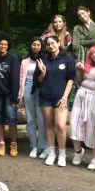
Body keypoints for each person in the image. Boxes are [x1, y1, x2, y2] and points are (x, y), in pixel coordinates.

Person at [35, 36, 75, 167]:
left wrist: (64, 98)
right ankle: (52, 153)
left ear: (58, 43)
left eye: (53, 43)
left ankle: (62, 154)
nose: (50, 46)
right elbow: (39, 81)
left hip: (60, 98)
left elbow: (71, 79)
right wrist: (42, 73)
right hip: (46, 97)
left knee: (61, 126)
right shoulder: (43, 60)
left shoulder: (67, 59)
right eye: (48, 44)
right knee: (49, 126)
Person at [70, 46, 95, 170]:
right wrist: (79, 70)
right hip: (81, 95)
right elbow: (79, 80)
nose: (94, 55)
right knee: (75, 124)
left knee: (94, 128)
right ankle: (78, 152)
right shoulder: (88, 67)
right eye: (92, 53)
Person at [18, 37, 48, 159]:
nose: (36, 47)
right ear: (31, 46)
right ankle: (34, 146)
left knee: (41, 119)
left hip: (41, 90)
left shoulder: (45, 59)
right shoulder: (25, 62)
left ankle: (42, 146)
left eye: (38, 45)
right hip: (28, 89)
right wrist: (20, 95)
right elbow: (21, 79)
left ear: (42, 46)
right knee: (30, 120)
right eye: (34, 44)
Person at [0, 32, 20, 157]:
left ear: (8, 46)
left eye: (5, 44)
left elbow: (15, 78)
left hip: (9, 94)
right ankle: (1, 143)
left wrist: (14, 96)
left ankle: (13, 144)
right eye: (0, 44)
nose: (2, 46)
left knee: (11, 119)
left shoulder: (13, 58)